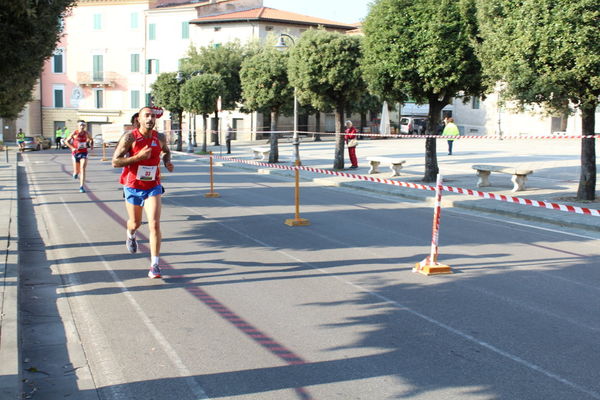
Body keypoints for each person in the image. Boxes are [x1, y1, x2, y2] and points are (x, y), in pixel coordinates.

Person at [112, 107, 174, 279]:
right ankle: (130, 234)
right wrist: (138, 157)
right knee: (135, 223)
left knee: (154, 224)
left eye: (153, 116)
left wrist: (168, 162)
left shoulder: (160, 137)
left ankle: (155, 265)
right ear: (138, 119)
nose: (150, 118)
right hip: (132, 185)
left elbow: (166, 152)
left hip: (153, 185)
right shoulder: (130, 137)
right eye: (146, 115)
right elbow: (115, 162)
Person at [65, 121, 94, 192]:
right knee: (77, 171)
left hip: (84, 152)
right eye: (81, 125)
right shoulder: (74, 133)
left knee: (82, 168)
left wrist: (91, 145)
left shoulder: (87, 133)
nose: (82, 126)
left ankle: (81, 186)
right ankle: (75, 173)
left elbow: (91, 139)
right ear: (78, 126)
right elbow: (66, 141)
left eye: (83, 125)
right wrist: (72, 148)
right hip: (76, 153)